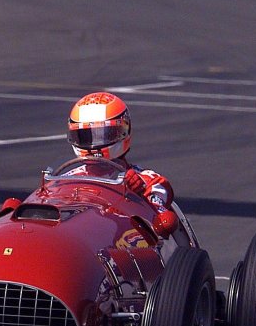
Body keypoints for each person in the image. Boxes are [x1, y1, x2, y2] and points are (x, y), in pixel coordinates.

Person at [67, 92, 178, 237]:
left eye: (104, 135)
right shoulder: (65, 180)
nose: (94, 144)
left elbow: (163, 219)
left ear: (124, 131)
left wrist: (139, 195)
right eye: (86, 136)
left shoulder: (148, 181)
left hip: (123, 244)